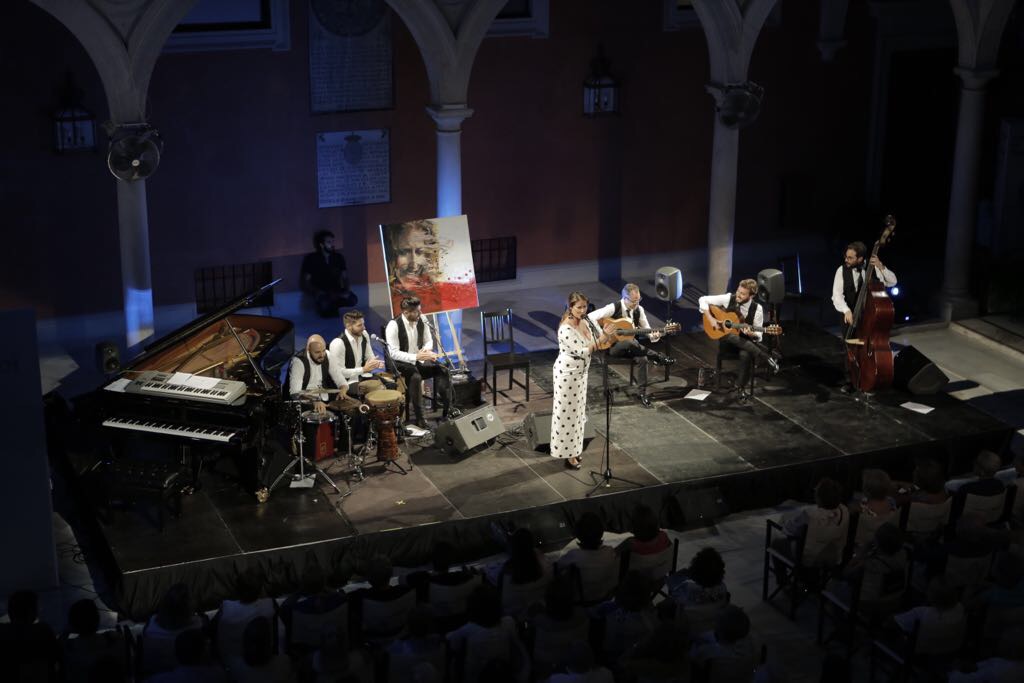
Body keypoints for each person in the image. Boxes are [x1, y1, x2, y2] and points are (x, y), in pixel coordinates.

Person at [551, 292, 614, 469]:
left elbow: (600, 338)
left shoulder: (586, 321)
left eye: (584, 307)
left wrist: (606, 334)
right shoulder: (565, 329)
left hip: (581, 373)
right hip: (567, 375)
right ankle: (567, 454)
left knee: (578, 415)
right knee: (566, 415)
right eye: (578, 307)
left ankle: (575, 450)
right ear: (570, 307)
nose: (582, 310)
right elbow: (582, 351)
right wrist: (602, 338)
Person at [587, 283, 675, 408]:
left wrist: (656, 335)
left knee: (643, 359)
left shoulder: (639, 310)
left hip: (633, 348)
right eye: (634, 301)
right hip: (612, 347)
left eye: (638, 300)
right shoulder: (614, 307)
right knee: (628, 342)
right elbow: (590, 317)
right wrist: (603, 334)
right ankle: (658, 357)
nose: (636, 303)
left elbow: (648, 331)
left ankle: (642, 394)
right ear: (625, 298)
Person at [698, 278, 780, 401]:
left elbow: (759, 336)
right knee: (729, 336)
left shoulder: (757, 309)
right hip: (727, 341)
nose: (738, 295)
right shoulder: (728, 298)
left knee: (745, 354)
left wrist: (752, 334)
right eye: (738, 291)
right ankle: (765, 356)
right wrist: (711, 319)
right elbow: (702, 299)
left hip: (745, 342)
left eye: (742, 294)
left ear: (751, 296)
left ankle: (740, 389)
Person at [383, 219, 477, 315]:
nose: (413, 263)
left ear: (428, 254)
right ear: (393, 254)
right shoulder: (393, 294)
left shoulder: (438, 290)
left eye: (420, 252)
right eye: (404, 252)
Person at [384, 296, 452, 428]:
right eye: (416, 311)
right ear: (406, 312)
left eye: (420, 310)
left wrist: (425, 352)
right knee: (415, 377)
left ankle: (447, 410)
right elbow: (393, 353)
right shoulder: (393, 325)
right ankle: (420, 418)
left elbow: (428, 341)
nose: (420, 313)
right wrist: (416, 356)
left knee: (443, 370)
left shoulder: (422, 319)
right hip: (400, 362)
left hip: (418, 359)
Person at [831, 240, 897, 331]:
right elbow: (837, 296)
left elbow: (893, 282)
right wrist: (846, 310)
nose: (846, 260)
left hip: (871, 319)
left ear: (860, 259)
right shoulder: (841, 270)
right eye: (846, 257)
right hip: (850, 319)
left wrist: (881, 266)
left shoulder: (874, 267)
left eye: (850, 258)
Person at [301, 230, 358, 318]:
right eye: (329, 242)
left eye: (332, 242)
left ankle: (333, 306)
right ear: (321, 245)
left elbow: (345, 277)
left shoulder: (338, 257)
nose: (332, 244)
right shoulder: (312, 259)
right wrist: (316, 292)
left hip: (337, 290)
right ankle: (327, 307)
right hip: (323, 291)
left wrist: (346, 290)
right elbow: (306, 281)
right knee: (325, 307)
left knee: (353, 299)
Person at [288, 334, 348, 416]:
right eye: (317, 352)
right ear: (308, 350)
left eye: (323, 350)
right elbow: (295, 393)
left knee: (348, 413)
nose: (322, 355)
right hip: (306, 402)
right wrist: (314, 401)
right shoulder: (298, 362)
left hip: (325, 398)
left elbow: (340, 380)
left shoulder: (327, 355)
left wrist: (343, 390)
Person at [329, 310, 385, 393]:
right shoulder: (338, 343)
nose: (364, 328)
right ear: (348, 326)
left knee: (389, 385)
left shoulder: (364, 334)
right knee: (375, 391)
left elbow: (369, 355)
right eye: (360, 325)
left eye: (363, 324)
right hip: (346, 383)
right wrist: (363, 369)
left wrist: (375, 363)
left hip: (362, 376)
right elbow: (339, 373)